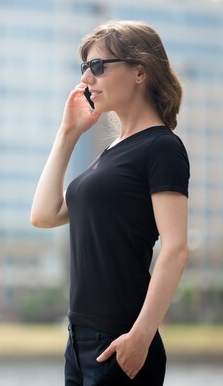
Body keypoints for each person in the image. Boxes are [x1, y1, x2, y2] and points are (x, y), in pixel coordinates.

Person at [30, 20, 190, 385]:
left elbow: (176, 248)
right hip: (79, 340)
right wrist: (67, 135)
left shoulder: (161, 147)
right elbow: (43, 215)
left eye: (98, 66)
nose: (87, 79)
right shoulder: (111, 153)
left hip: (123, 339)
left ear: (139, 72)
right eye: (84, 68)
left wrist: (141, 336)